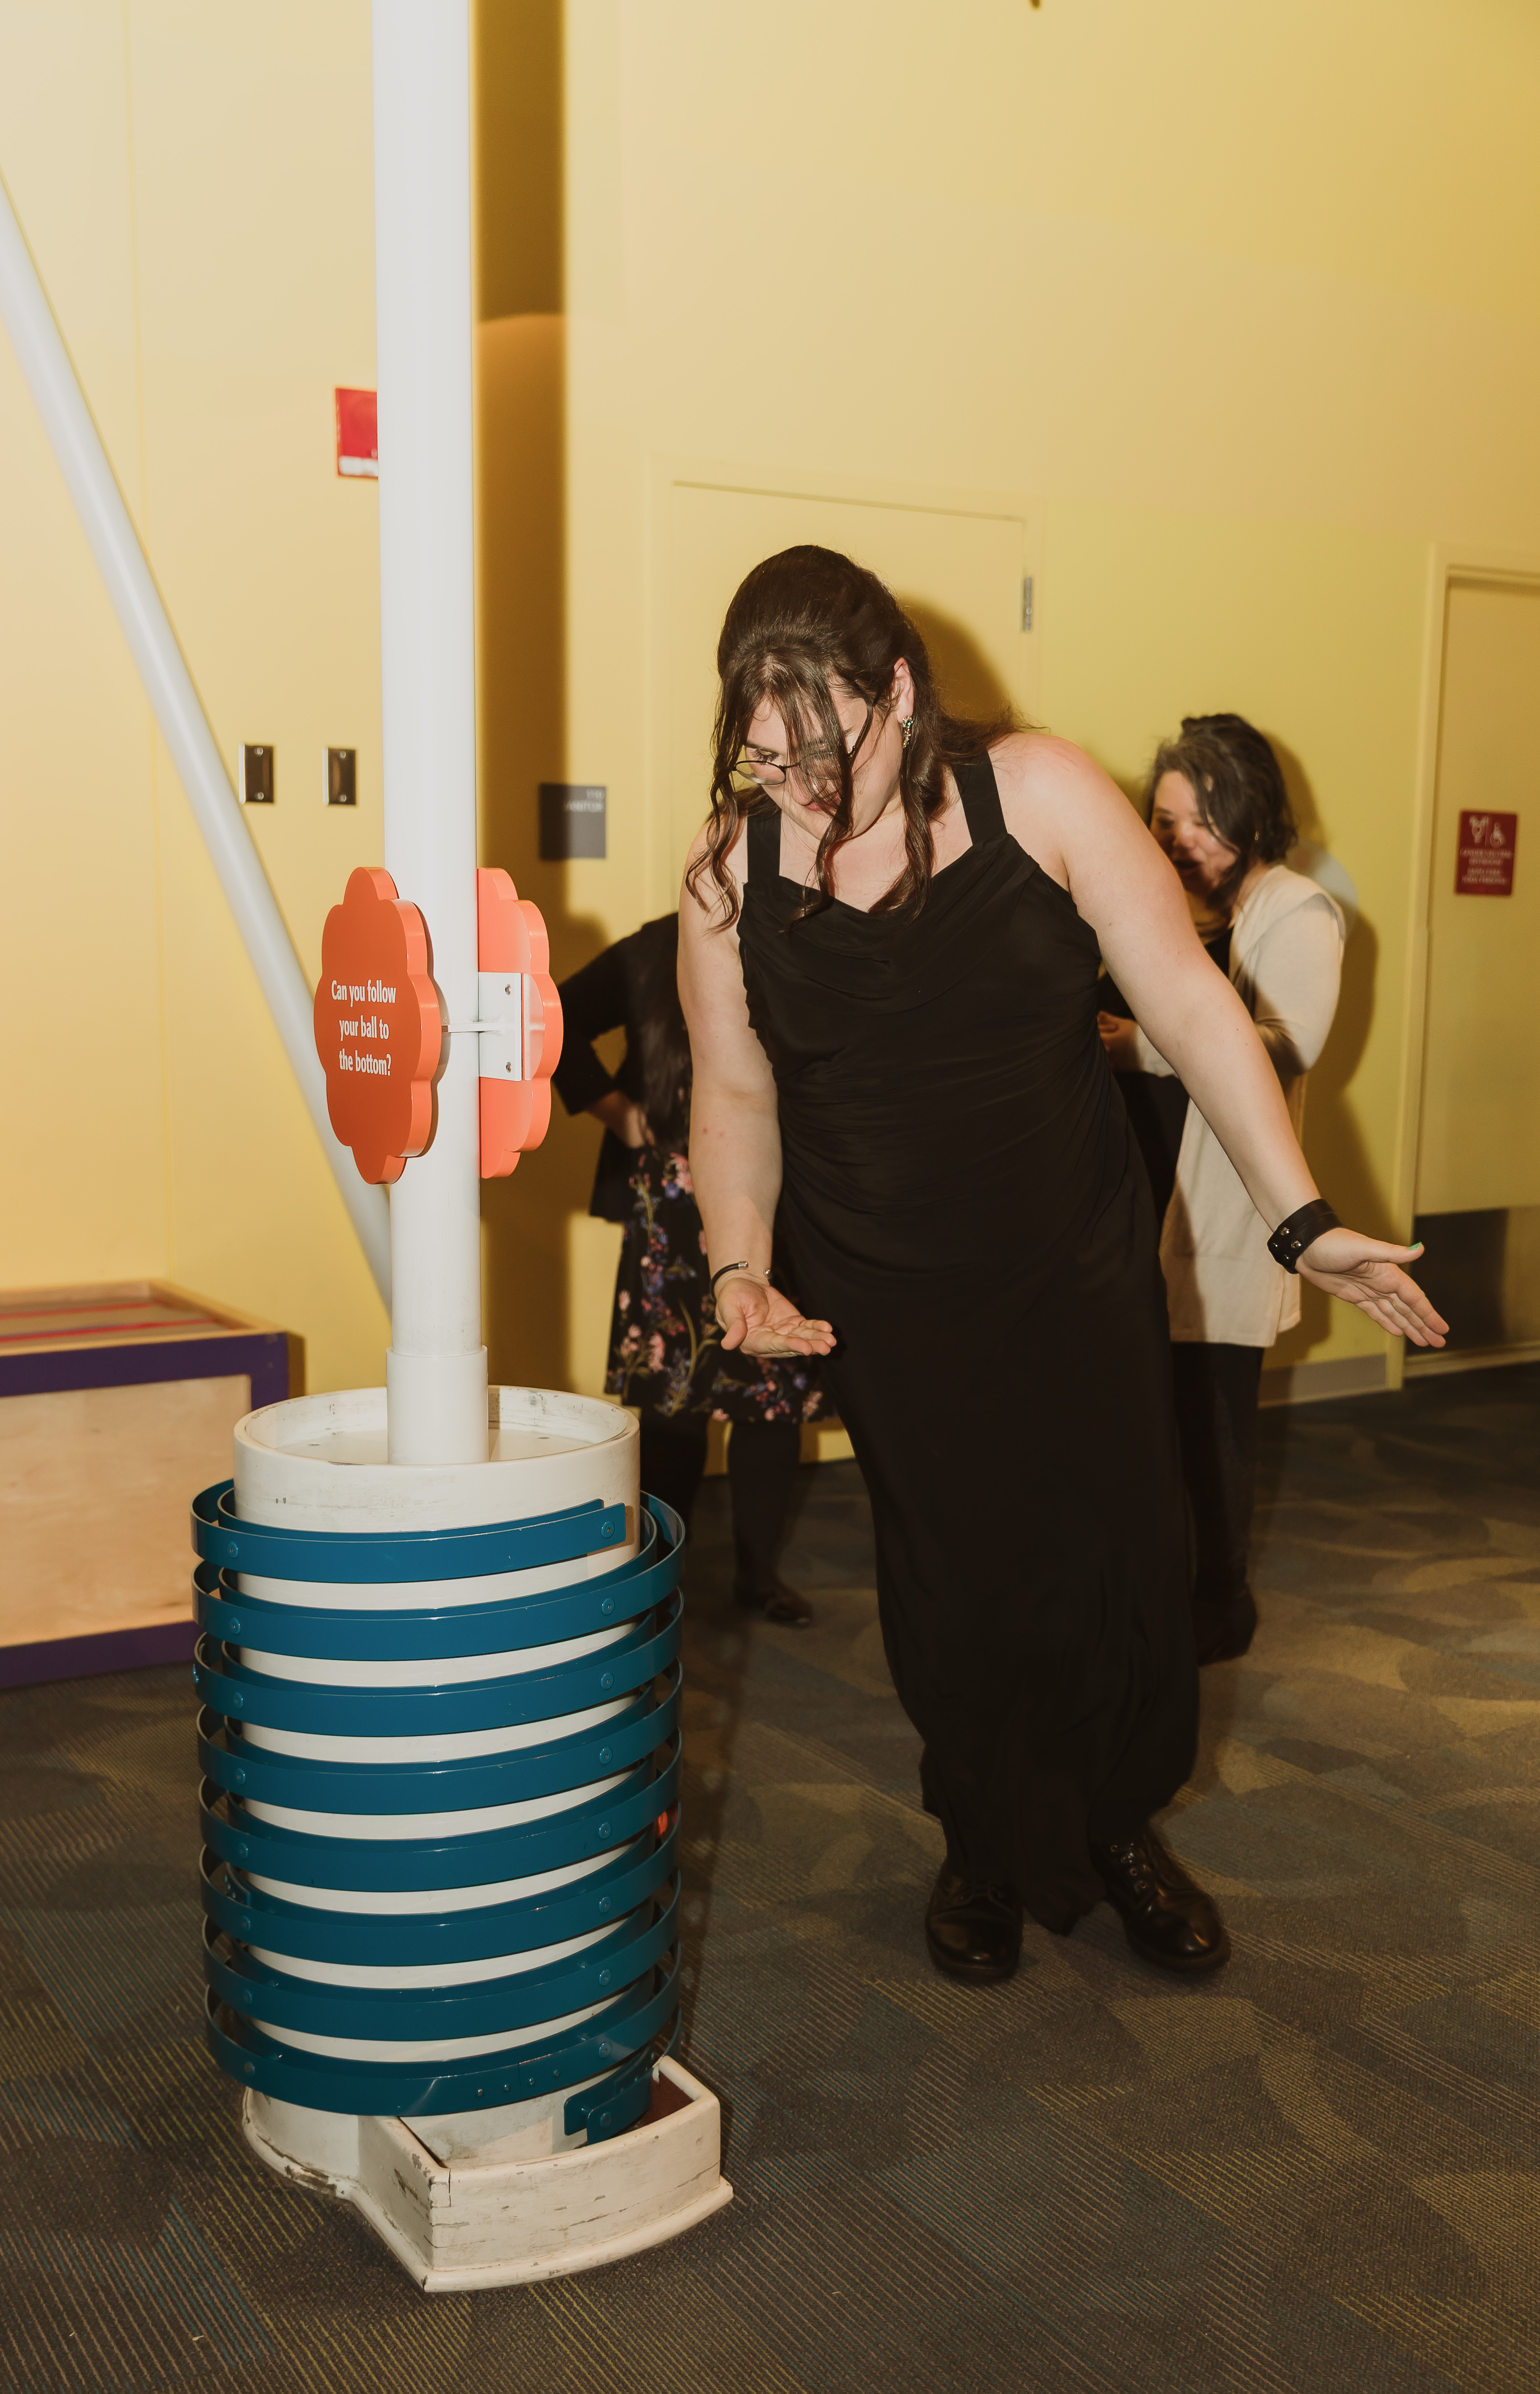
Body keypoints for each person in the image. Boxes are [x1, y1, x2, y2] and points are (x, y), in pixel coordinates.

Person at [678, 545, 1445, 1988]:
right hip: (888, 1287)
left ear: (900, 691)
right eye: (767, 761)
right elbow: (734, 1092)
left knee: (1117, 1549)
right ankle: (979, 1838)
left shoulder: (1037, 794)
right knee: (952, 1568)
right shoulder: (731, 873)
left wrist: (1301, 1220)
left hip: (1066, 1263)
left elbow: (1194, 1009)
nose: (800, 793)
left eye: (824, 753)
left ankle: (1116, 1824)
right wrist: (736, 1270)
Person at [1099, 715, 1345, 1665]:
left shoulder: (1297, 910)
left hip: (1220, 1204)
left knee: (1212, 1418)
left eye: (1200, 822)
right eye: (1164, 821)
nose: (1178, 841)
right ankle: (1157, 1587)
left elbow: (1286, 1046)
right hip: (1134, 1194)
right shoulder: (1154, 907)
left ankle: (1223, 1596)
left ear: (1250, 816)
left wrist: (1142, 1045)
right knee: (1144, 1418)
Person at [554, 912, 825, 1625]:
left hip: (774, 1191)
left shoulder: (804, 933)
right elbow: (554, 1017)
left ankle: (758, 1577)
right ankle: (657, 1575)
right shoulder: (656, 946)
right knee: (673, 1401)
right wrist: (622, 1116)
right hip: (671, 1199)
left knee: (773, 1398)